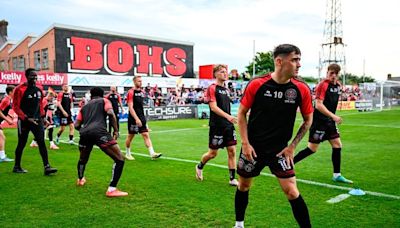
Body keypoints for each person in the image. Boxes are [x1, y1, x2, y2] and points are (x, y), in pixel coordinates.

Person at [234, 44, 313, 228]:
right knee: (244, 185)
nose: (299, 64)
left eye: (299, 60)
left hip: (280, 151)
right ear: (279, 61)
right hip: (253, 149)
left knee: (292, 192)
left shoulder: (301, 89)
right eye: (294, 60)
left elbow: (308, 120)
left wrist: (292, 146)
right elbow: (241, 114)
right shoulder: (257, 84)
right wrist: (245, 143)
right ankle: (239, 224)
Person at [294, 63, 352, 184]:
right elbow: (318, 105)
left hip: (329, 122)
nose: (333, 76)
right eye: (331, 73)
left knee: (337, 145)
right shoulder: (323, 85)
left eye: (336, 74)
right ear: (327, 73)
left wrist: (332, 117)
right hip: (319, 122)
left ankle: (337, 175)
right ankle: (289, 164)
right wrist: (333, 116)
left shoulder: (338, 86)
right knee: (312, 149)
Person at [75, 87, 128, 197]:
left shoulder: (84, 107)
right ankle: (112, 189)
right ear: (102, 94)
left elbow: (76, 125)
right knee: (120, 159)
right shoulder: (104, 100)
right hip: (99, 132)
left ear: (91, 95)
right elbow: (110, 113)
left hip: (84, 134)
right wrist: (116, 130)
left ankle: (80, 179)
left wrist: (85, 131)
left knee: (83, 159)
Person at [195, 64, 238, 186]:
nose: (225, 74)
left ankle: (232, 179)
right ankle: (199, 166)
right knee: (213, 154)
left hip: (228, 125)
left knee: (232, 151)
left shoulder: (227, 90)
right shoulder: (212, 88)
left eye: (226, 72)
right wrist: (228, 116)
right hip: (217, 125)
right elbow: (213, 108)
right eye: (222, 72)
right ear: (215, 74)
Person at [12, 68, 58, 175]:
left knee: (41, 142)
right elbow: (15, 106)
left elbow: (40, 105)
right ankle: (17, 166)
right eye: (32, 76)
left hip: (37, 121)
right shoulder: (19, 89)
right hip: (24, 121)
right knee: (22, 143)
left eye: (35, 76)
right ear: (27, 76)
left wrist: (43, 117)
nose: (35, 78)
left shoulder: (39, 89)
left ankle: (47, 167)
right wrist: (26, 118)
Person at [124, 76, 162, 161]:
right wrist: (136, 119)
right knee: (131, 136)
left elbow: (140, 106)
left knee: (146, 134)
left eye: (141, 81)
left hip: (141, 116)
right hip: (133, 117)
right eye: (139, 81)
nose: (140, 83)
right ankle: (127, 153)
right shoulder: (130, 92)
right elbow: (130, 107)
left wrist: (143, 120)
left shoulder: (142, 92)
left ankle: (152, 153)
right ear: (134, 82)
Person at [0, 85, 15, 162]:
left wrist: (9, 115)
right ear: (10, 92)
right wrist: (7, 120)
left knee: (2, 137)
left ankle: (2, 156)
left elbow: (2, 110)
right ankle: (2, 157)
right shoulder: (6, 100)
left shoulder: (8, 100)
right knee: (2, 137)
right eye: (14, 91)